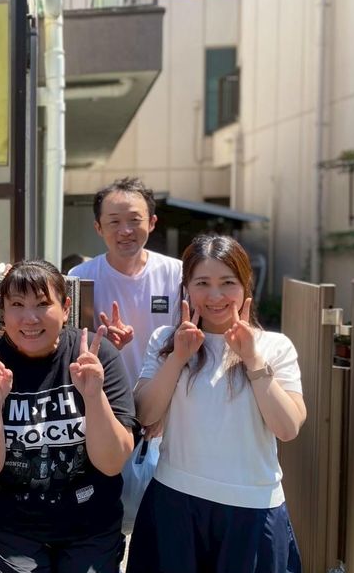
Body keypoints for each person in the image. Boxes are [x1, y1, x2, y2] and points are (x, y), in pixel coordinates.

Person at [128, 235, 306, 573]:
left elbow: (287, 427)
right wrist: (178, 358)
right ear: (186, 288)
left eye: (227, 283)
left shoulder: (274, 346)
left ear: (245, 285)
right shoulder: (166, 341)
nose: (215, 296)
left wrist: (252, 359)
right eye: (202, 283)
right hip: (175, 501)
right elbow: (146, 415)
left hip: (253, 508)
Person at [0, 260, 136, 573]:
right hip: (10, 526)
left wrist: (94, 396)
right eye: (17, 305)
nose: (30, 318)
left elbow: (112, 462)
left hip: (91, 523)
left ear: (65, 308)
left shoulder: (97, 355)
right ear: (3, 311)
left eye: (42, 304)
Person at [68, 177, 182, 390]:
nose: (125, 230)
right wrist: (104, 344)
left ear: (152, 222)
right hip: (107, 397)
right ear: (98, 227)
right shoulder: (81, 276)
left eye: (134, 220)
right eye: (114, 222)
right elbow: (72, 344)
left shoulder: (177, 273)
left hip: (166, 396)